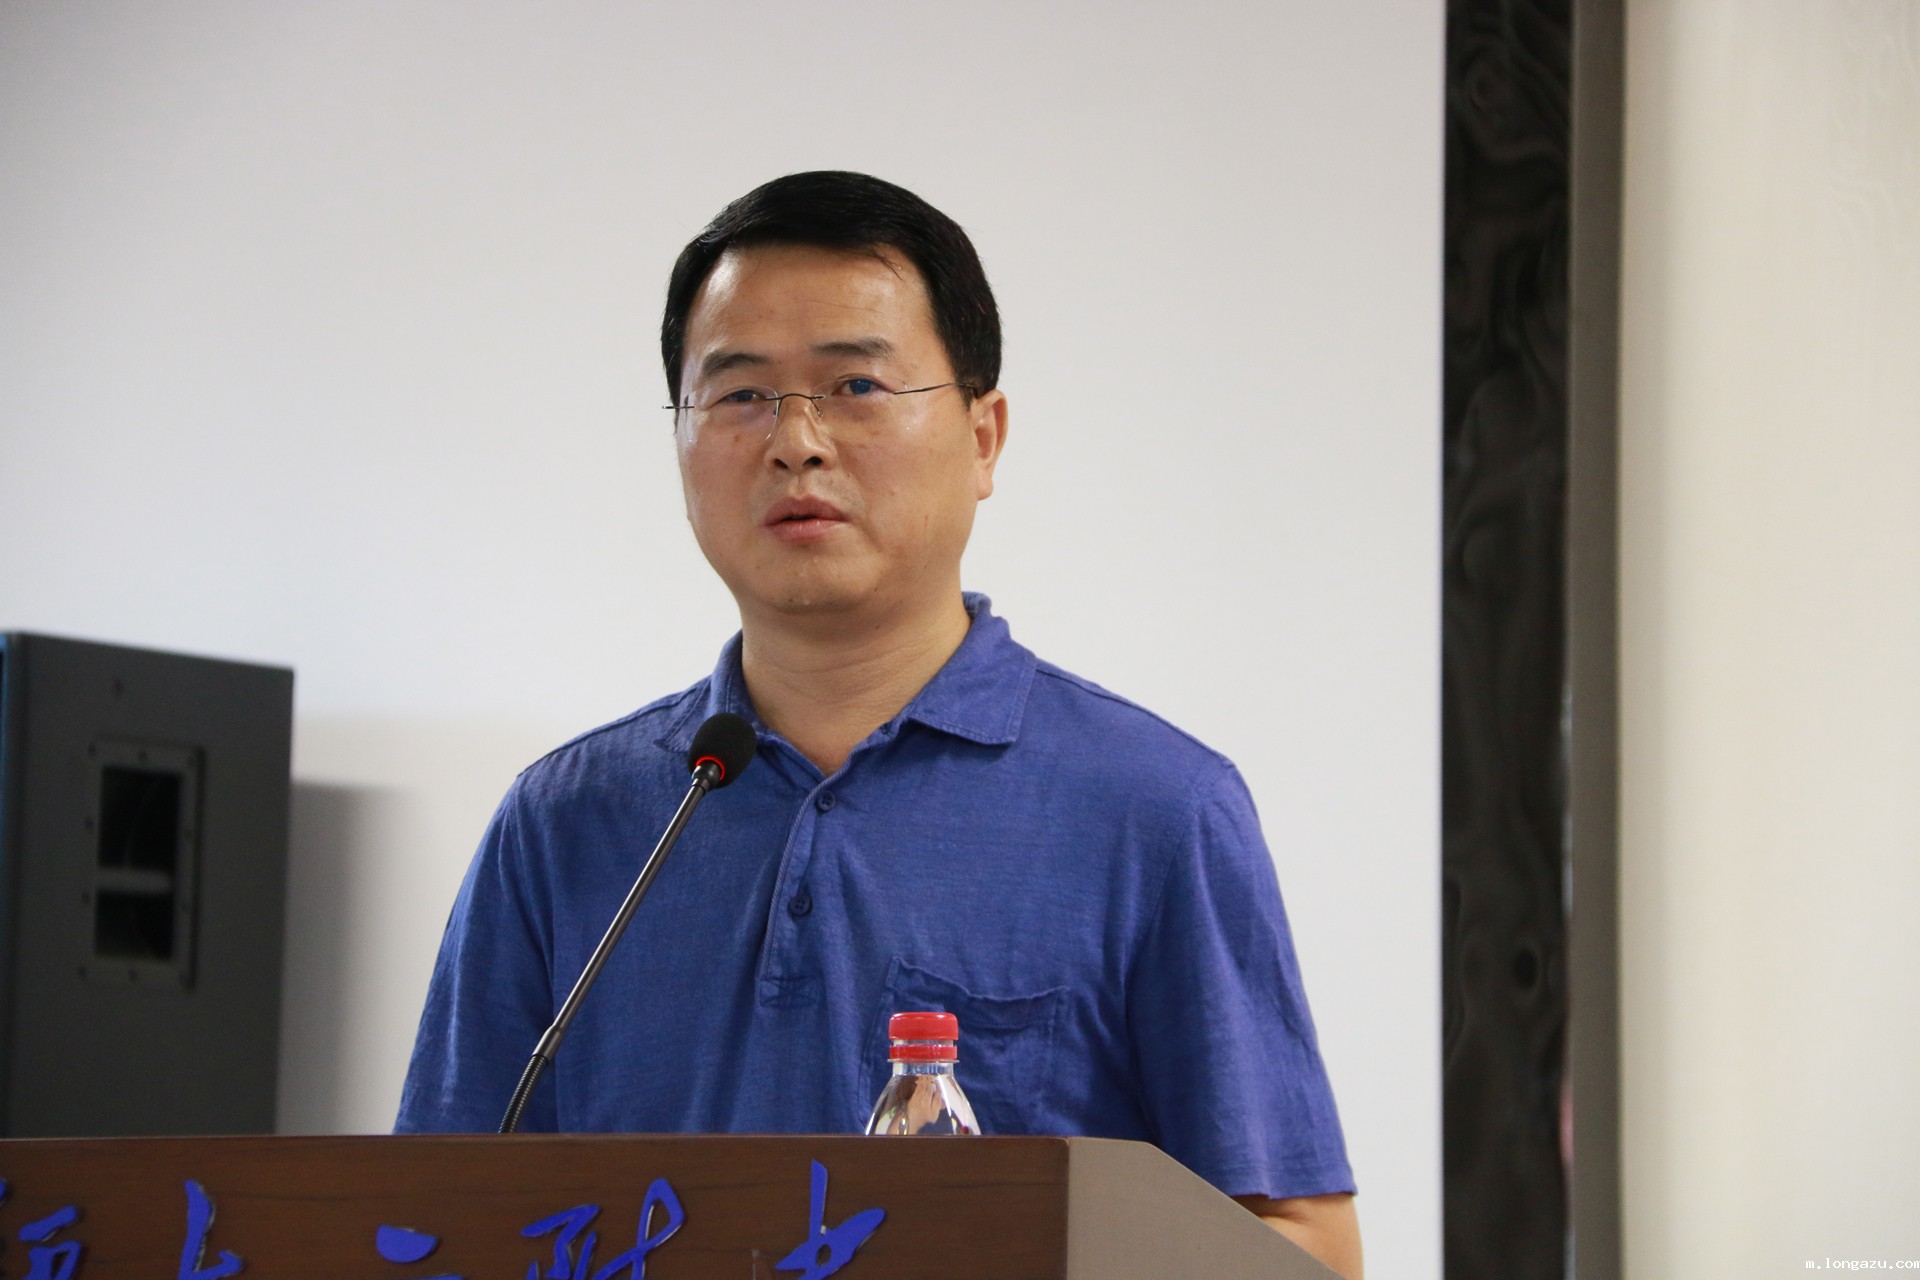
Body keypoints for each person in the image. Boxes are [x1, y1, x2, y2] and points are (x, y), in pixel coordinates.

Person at [397, 171, 1362, 1278]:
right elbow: (429, 1226)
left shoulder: (1155, 808)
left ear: (984, 436)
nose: (796, 442)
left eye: (856, 384)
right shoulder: (564, 822)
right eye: (740, 394)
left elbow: (1305, 1249)